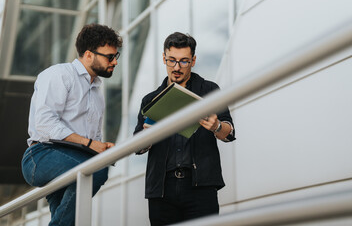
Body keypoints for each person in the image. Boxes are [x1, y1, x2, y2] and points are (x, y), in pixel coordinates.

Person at [21, 24, 123, 226]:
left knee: (69, 219)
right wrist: (89, 144)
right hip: (41, 155)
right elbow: (45, 124)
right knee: (96, 170)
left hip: (73, 159)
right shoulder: (59, 74)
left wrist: (101, 148)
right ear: (88, 54)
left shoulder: (96, 91)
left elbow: (94, 137)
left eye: (116, 56)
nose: (115, 62)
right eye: (109, 57)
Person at [134, 32, 236, 225]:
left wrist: (216, 126)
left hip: (201, 187)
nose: (177, 67)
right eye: (171, 60)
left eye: (184, 61)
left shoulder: (209, 90)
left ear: (193, 60)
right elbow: (137, 146)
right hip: (162, 190)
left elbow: (229, 133)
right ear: (164, 58)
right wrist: (147, 138)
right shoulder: (150, 99)